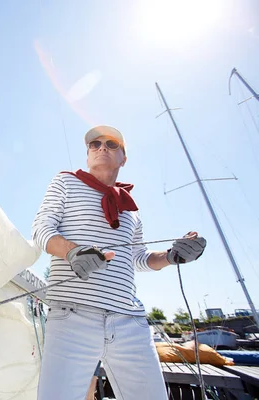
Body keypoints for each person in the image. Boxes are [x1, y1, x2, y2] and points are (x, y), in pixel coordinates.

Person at [31, 125, 206, 400]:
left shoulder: (132, 211)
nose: (102, 147)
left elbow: (139, 259)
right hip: (71, 314)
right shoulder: (65, 182)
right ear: (88, 154)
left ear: (123, 158)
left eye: (111, 144)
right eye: (94, 144)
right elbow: (41, 229)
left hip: (129, 321)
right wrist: (71, 251)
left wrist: (173, 256)